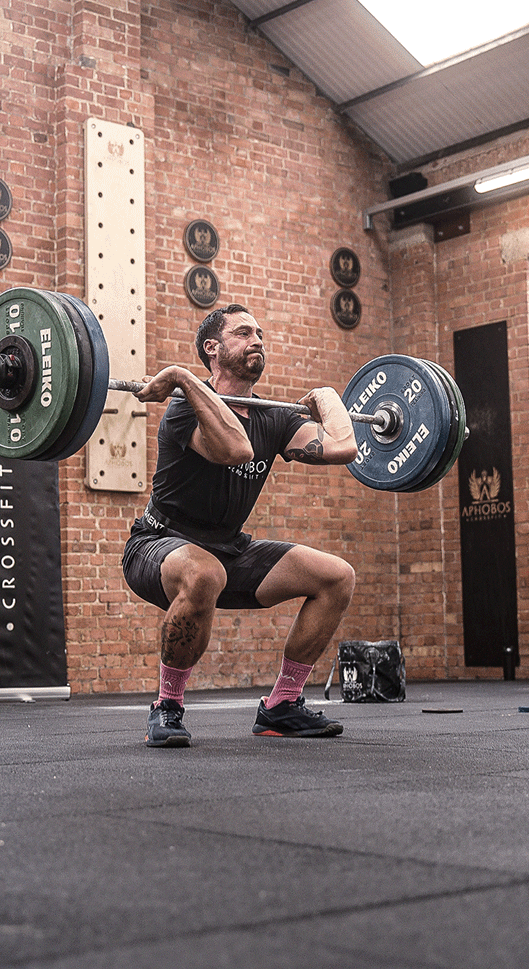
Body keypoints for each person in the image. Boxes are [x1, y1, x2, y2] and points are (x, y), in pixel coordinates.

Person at [122, 304, 358, 747]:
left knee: (336, 577)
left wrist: (328, 396)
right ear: (212, 348)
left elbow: (345, 447)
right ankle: (167, 706)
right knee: (204, 572)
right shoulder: (183, 407)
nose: (258, 341)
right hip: (158, 545)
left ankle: (283, 706)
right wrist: (184, 379)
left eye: (261, 334)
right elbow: (236, 450)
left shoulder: (274, 417)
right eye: (244, 333)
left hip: (230, 551)